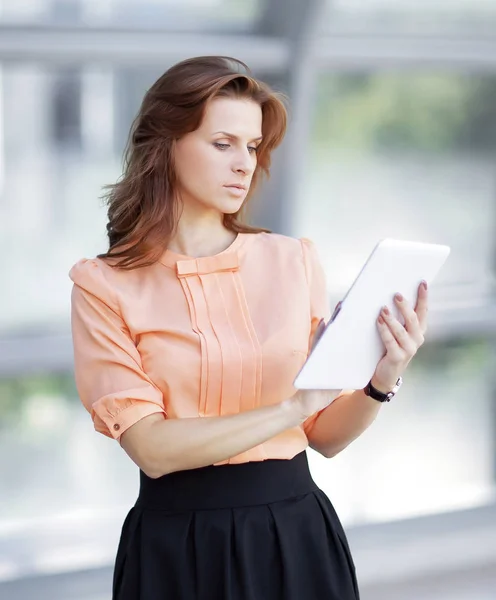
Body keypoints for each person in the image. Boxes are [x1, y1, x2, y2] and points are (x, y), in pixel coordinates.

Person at [69, 56, 429, 600]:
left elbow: (324, 437)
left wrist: (383, 378)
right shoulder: (102, 285)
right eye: (223, 143)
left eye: (253, 146)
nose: (244, 164)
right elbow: (153, 448)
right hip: (176, 547)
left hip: (295, 536)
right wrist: (292, 408)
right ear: (165, 144)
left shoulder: (295, 262)